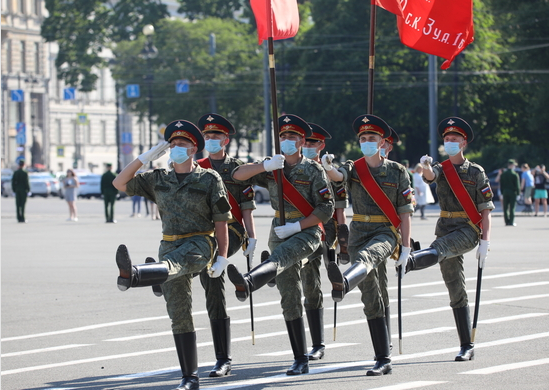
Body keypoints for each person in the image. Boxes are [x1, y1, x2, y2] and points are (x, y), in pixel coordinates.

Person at [113, 119, 231, 390]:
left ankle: (137, 275)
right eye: (173, 144)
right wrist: (143, 158)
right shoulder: (158, 179)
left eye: (183, 144)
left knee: (174, 264)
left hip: (200, 244)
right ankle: (189, 377)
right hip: (168, 245)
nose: (177, 147)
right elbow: (119, 183)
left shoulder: (209, 178)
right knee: (178, 313)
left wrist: (222, 257)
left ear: (193, 150)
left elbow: (222, 220)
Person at [227, 114, 334, 376]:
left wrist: (299, 226)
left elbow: (327, 207)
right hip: (278, 229)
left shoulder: (313, 169)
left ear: (301, 141)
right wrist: (264, 165)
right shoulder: (273, 167)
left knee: (285, 261)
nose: (287, 140)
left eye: (292, 137)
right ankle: (300, 357)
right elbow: (238, 175)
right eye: (283, 136)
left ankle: (251, 281)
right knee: (288, 295)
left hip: (306, 230)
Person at [321, 114, 413, 376]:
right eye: (362, 138)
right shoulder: (354, 166)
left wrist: (405, 248)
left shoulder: (397, 171)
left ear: (382, 141)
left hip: (385, 231)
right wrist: (328, 166)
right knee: (372, 294)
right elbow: (339, 176)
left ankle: (345, 282)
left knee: (368, 258)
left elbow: (405, 212)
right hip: (359, 230)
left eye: (372, 138)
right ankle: (382, 358)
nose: (366, 142)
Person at [405, 117, 493, 362]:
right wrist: (425, 166)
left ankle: (412, 261)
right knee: (455, 287)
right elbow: (431, 176)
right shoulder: (442, 168)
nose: (450, 142)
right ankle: (466, 345)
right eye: (447, 139)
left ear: (463, 143)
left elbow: (485, 210)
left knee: (439, 248)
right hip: (445, 226)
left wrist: (485, 241)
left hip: (467, 228)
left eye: (454, 139)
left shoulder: (476, 172)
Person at [195, 113, 258, 377]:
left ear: (226, 140)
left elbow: (246, 208)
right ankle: (222, 357)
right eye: (207, 136)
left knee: (209, 262)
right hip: (201, 235)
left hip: (231, 231)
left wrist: (252, 237)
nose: (211, 140)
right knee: (211, 283)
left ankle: (223, 358)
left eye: (216, 136)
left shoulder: (238, 168)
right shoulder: (195, 165)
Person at [299, 122, 348, 360]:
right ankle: (317, 343)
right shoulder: (294, 168)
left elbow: (339, 206)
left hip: (325, 229)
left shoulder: (330, 171)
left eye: (313, 143)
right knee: (309, 283)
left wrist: (343, 237)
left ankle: (318, 344)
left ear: (322, 146)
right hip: (299, 228)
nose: (308, 146)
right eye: (305, 142)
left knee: (320, 275)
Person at [499, 159, 521, 226]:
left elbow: (501, 185)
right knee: (512, 207)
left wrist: (502, 192)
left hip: (505, 192)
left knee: (505, 207)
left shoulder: (503, 174)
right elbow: (517, 185)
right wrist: (518, 193)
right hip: (512, 192)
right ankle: (511, 221)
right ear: (511, 165)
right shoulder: (514, 174)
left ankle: (506, 221)